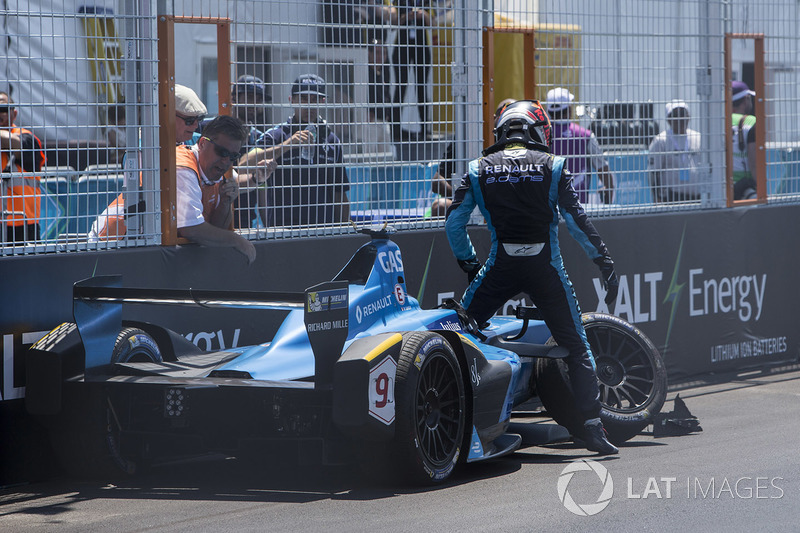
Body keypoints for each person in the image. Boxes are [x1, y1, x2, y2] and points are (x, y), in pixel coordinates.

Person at [445, 100, 620, 455]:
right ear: (538, 130)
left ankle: (457, 420)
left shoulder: (478, 168)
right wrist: (605, 263)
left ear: (502, 130)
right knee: (578, 347)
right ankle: (592, 430)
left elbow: (454, 223)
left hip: (498, 268)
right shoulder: (553, 165)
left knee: (454, 337)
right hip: (547, 270)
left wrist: (469, 264)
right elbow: (577, 223)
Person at [89, 84, 208, 242]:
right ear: (165, 115)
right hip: (123, 239)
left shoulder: (194, 139)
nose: (195, 125)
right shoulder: (141, 148)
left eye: (199, 119)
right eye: (190, 120)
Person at [243, 74, 350, 227]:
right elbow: (244, 162)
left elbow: (340, 193)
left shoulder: (332, 140)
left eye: (315, 100)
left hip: (324, 231)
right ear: (291, 100)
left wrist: (344, 231)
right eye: (303, 99)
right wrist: (288, 144)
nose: (309, 106)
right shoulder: (277, 135)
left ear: (323, 102)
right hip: (284, 231)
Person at [175, 115, 256, 264]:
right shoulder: (183, 168)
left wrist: (225, 203)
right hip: (124, 242)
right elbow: (191, 229)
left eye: (233, 156)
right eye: (222, 152)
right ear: (202, 144)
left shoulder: (216, 171)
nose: (226, 161)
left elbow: (215, 230)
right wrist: (237, 241)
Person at [429, 99, 516, 217]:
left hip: (505, 205)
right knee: (440, 206)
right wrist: (466, 197)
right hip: (468, 202)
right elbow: (437, 181)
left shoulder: (523, 144)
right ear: (494, 117)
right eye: (504, 112)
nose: (508, 119)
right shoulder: (466, 137)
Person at [546, 88, 615, 204]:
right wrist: (609, 191)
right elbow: (603, 168)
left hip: (547, 209)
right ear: (569, 109)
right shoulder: (585, 135)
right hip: (579, 209)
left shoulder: (541, 134)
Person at [229, 75, 277, 229]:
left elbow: (261, 187)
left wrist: (268, 227)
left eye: (259, 99)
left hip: (245, 222)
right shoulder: (210, 130)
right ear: (234, 97)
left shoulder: (258, 138)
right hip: (213, 219)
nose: (254, 104)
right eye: (249, 97)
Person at [1, 91, 45, 243]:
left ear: (14, 114)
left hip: (24, 224)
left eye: (3, 109)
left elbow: (16, 145)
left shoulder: (27, 138)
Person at [390, 0, 434, 140]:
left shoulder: (426, 2)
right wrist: (405, 18)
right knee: (400, 87)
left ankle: (424, 129)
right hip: (402, 46)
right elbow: (392, 23)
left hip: (421, 47)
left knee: (421, 87)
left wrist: (423, 15)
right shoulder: (399, 2)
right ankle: (395, 130)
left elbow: (432, 23)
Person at [647, 100, 703, 203]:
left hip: (697, 196)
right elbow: (654, 172)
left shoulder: (697, 137)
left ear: (689, 117)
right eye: (675, 115)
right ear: (668, 119)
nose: (680, 118)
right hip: (672, 197)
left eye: (683, 114)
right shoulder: (661, 140)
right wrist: (657, 197)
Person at [731, 80, 757, 200]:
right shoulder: (751, 122)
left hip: (723, 187)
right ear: (746, 99)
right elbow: (754, 163)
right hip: (744, 189)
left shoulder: (718, 120)